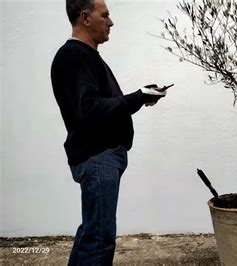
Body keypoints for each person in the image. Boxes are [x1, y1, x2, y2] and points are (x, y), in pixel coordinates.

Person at [51, 0, 169, 264]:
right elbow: (89, 109)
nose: (111, 22)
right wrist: (138, 97)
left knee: (91, 233)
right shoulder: (73, 56)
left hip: (102, 159)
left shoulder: (87, 57)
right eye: (105, 15)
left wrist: (142, 97)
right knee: (99, 241)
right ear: (85, 18)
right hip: (97, 157)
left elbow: (104, 107)